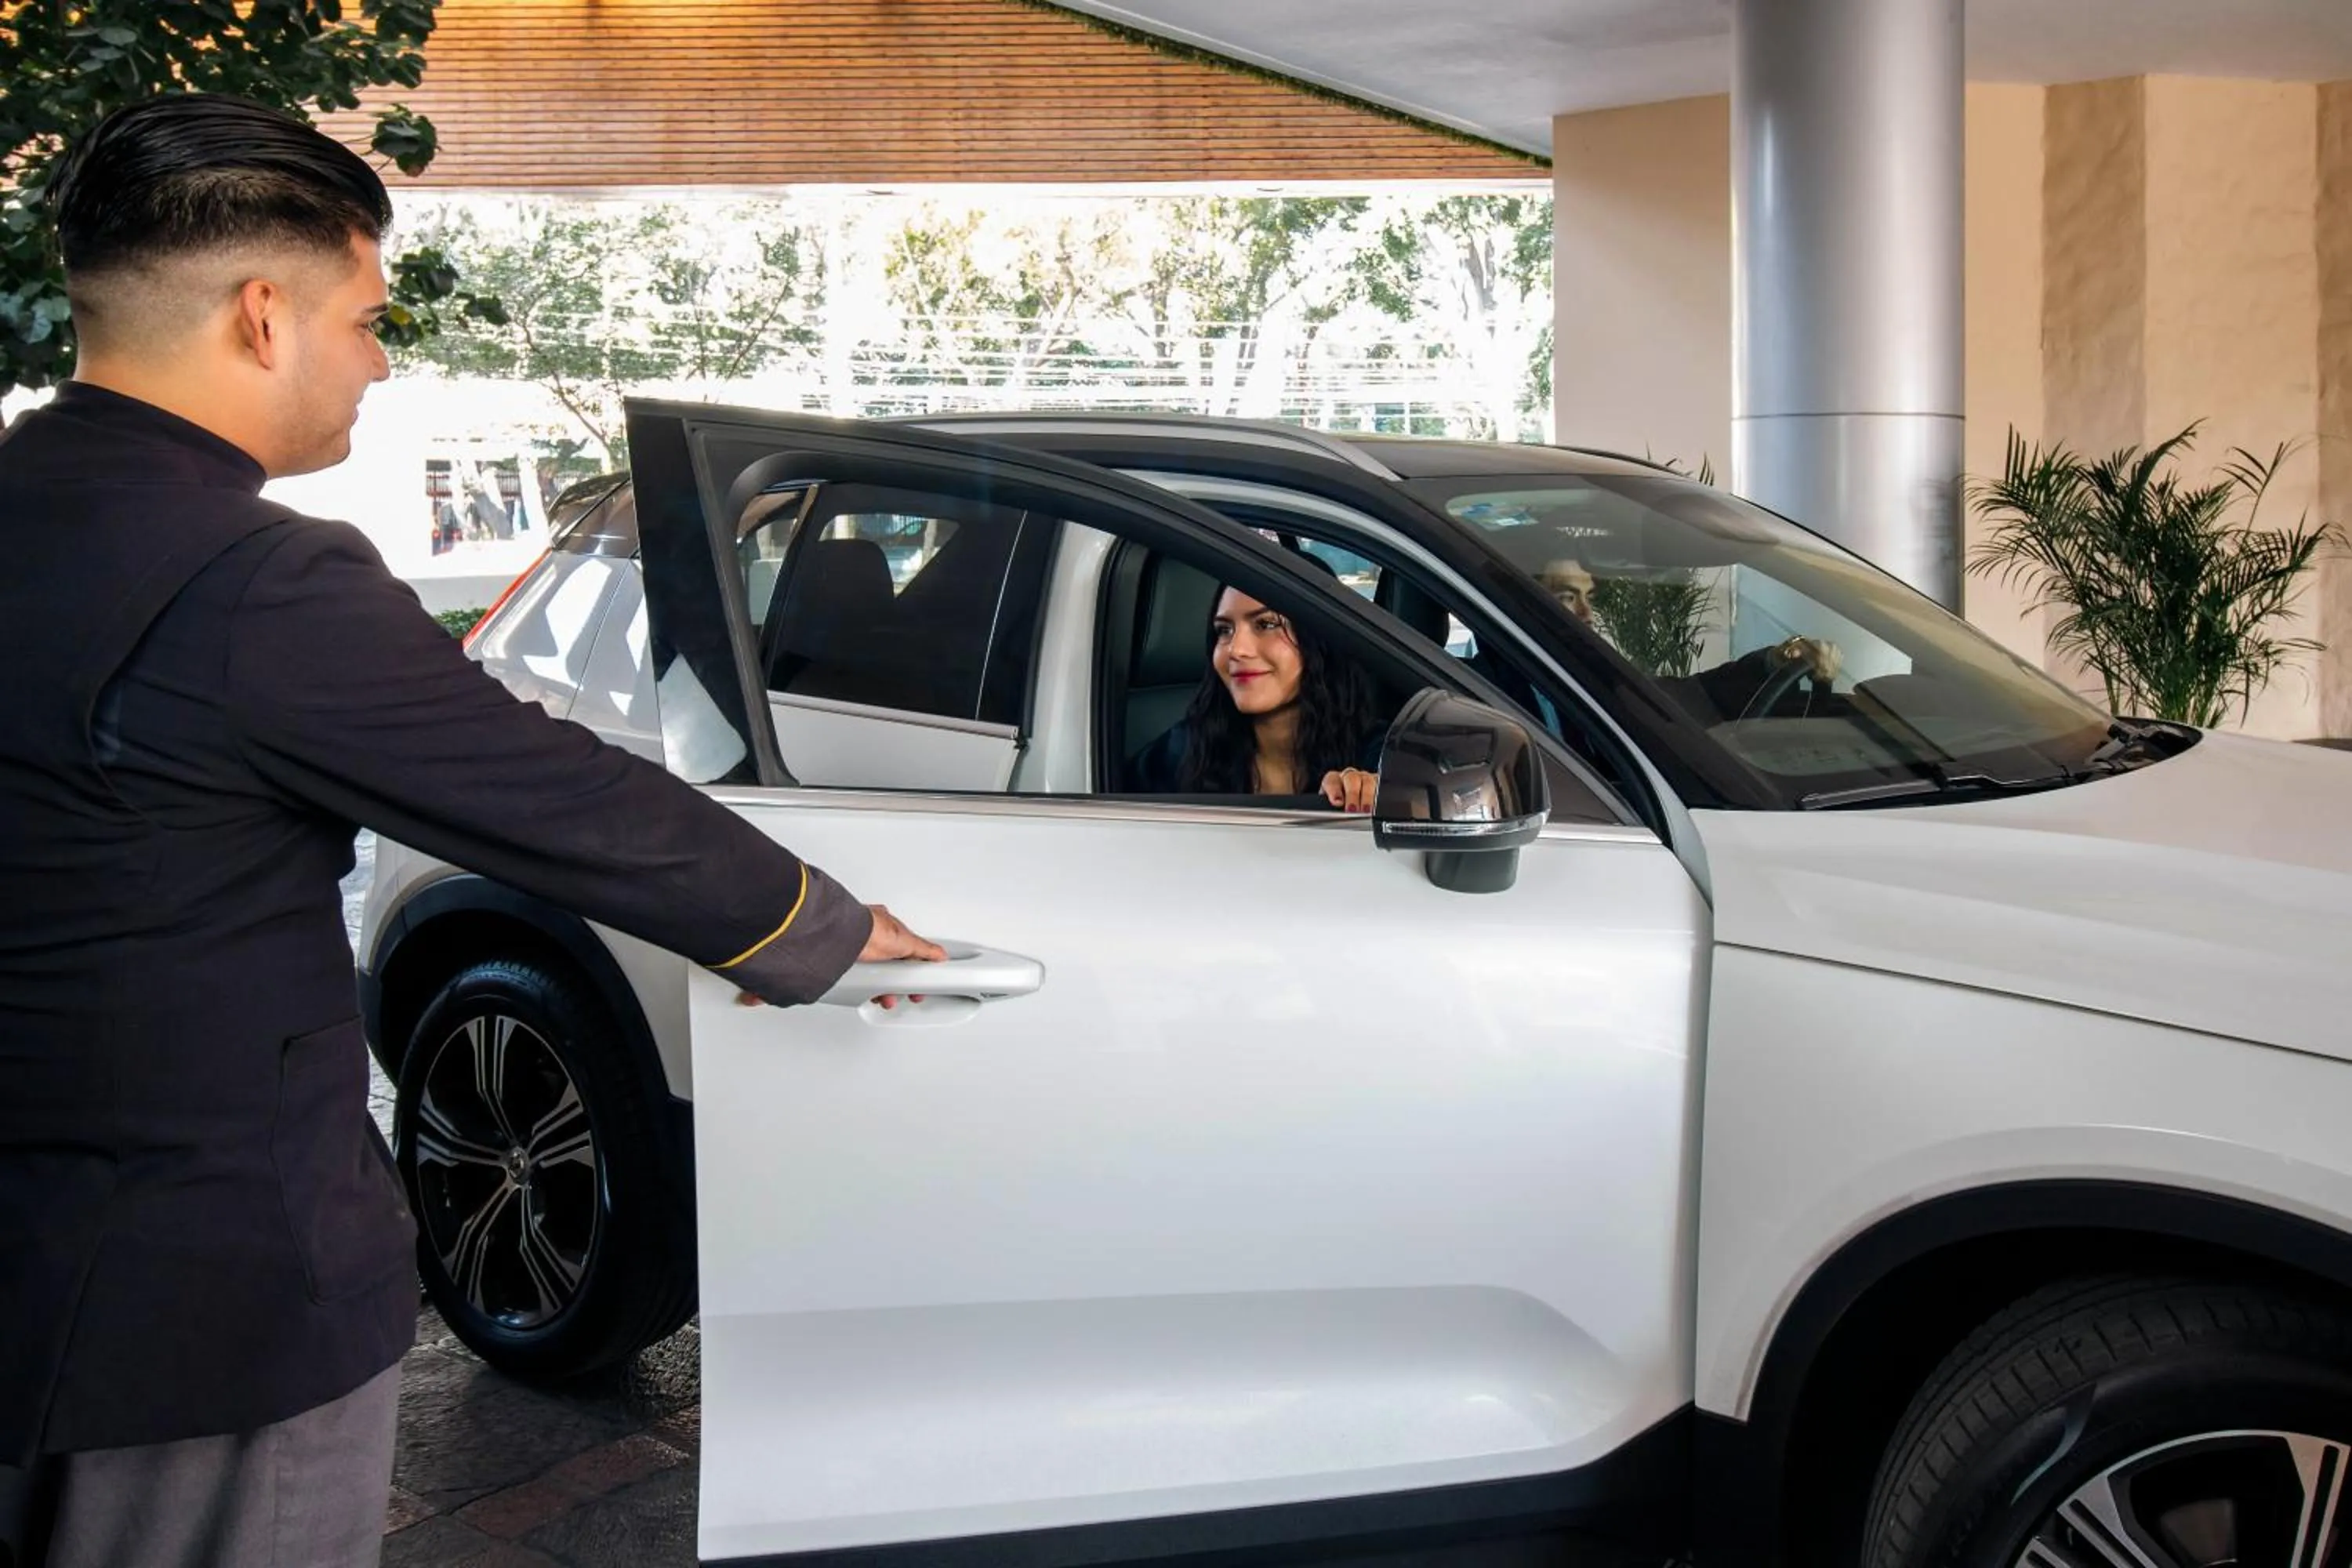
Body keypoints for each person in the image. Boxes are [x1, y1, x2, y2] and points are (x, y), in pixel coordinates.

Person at [0, 94, 940, 1568]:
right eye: (369, 321)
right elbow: (545, 792)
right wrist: (818, 926)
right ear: (263, 316)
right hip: (200, 1310)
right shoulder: (257, 580)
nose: (379, 362)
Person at [1132, 586, 1385, 810]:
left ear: (1319, 637)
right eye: (1224, 630)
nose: (1236, 649)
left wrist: (1363, 791)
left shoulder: (1383, 754)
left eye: (1266, 624)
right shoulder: (1183, 751)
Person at [1537, 557, 1844, 719]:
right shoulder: (1512, 688)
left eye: (1589, 597)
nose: (1587, 614)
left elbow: (1689, 694)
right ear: (1527, 600)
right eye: (1567, 597)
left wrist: (1772, 661)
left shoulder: (1588, 671)